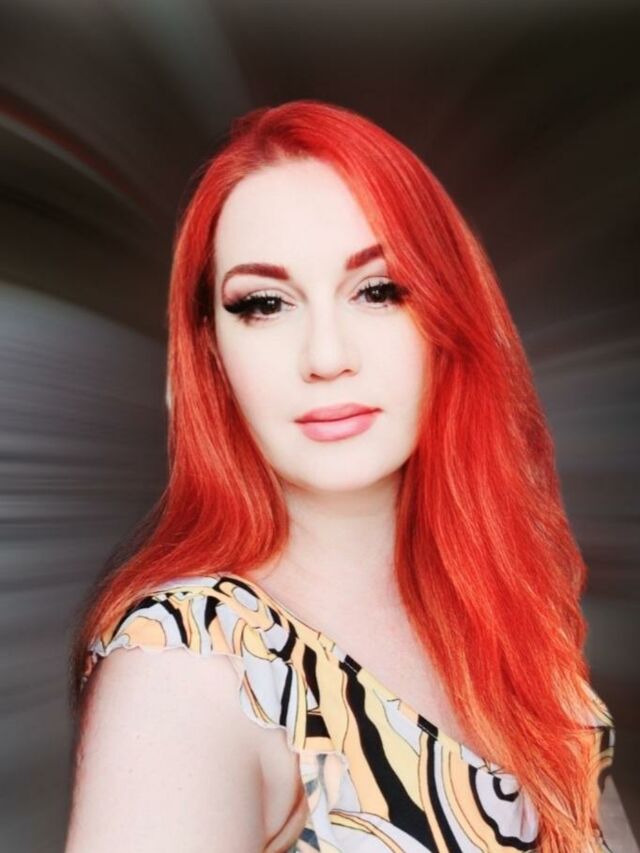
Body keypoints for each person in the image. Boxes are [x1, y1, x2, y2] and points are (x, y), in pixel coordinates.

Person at [63, 100, 624, 853]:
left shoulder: (511, 621)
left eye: (378, 290)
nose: (326, 356)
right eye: (265, 304)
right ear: (212, 352)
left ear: (446, 318)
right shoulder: (187, 667)